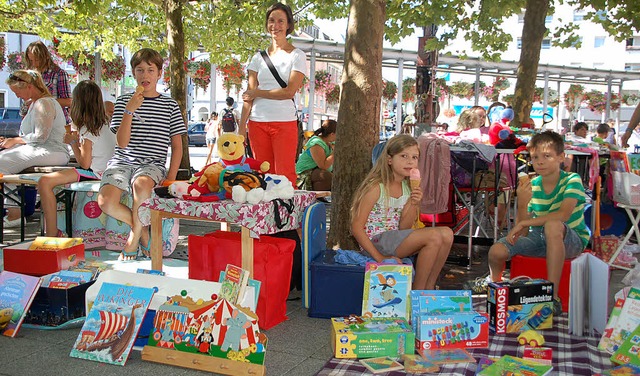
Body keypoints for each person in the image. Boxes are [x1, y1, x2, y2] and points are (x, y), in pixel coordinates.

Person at [486, 131, 589, 314]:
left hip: (570, 239)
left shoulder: (572, 180)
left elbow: (563, 215)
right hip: (539, 238)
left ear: (561, 157)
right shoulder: (532, 184)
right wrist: (523, 203)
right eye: (535, 157)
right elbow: (523, 232)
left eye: (547, 156)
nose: (539, 161)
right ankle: (497, 288)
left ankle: (552, 296)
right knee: (496, 251)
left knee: (553, 225)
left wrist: (524, 224)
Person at [97, 48, 185, 261]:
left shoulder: (170, 105)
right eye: (140, 70)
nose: (145, 75)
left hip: (151, 164)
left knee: (141, 185)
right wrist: (130, 110)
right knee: (105, 202)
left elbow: (177, 146)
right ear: (133, 73)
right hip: (122, 161)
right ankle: (142, 232)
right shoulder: (123, 101)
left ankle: (132, 242)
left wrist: (171, 178)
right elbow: (121, 142)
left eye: (150, 70)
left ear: (159, 73)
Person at [350, 134, 453, 290]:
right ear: (389, 160)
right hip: (375, 242)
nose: (410, 161)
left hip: (393, 239)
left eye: (414, 157)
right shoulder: (376, 187)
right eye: (403, 156)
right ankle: (417, 292)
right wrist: (379, 258)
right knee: (433, 236)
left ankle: (429, 287)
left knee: (447, 234)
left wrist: (414, 203)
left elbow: (404, 228)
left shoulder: (407, 187)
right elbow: (356, 227)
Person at [240, 2, 307, 187]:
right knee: (261, 174)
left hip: (284, 122)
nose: (275, 25)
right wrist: (240, 129)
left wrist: (258, 92)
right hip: (257, 123)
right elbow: (248, 97)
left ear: (288, 25)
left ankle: (288, 215)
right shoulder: (257, 58)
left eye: (280, 21)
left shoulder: (297, 55)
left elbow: (289, 92)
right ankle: (266, 216)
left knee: (285, 175)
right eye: (271, 20)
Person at [38, 80, 117, 237]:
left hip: (96, 173)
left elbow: (85, 163)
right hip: (108, 171)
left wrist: (73, 142)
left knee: (44, 182)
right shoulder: (106, 123)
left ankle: (52, 233)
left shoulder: (88, 129)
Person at [1, 70, 70, 226]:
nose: (17, 95)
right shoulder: (37, 103)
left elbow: (40, 136)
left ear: (29, 87)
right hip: (45, 150)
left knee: (2, 162)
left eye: (17, 91)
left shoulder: (44, 103)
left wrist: (14, 141)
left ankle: (15, 212)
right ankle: (14, 210)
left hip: (52, 150)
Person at [24, 40, 72, 123]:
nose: (34, 64)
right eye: (31, 60)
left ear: (45, 57)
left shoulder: (59, 73)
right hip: (36, 121)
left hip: (56, 122)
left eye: (37, 60)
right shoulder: (30, 75)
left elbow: (68, 101)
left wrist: (43, 101)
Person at [296, 119, 336, 191]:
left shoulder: (331, 143)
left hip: (317, 172)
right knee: (328, 178)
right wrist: (335, 153)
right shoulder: (316, 143)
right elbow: (323, 165)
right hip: (305, 173)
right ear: (332, 134)